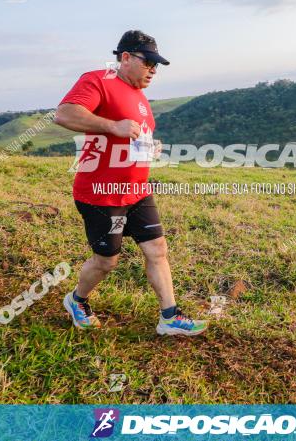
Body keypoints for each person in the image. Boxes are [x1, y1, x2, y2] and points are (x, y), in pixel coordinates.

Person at [54, 29, 207, 336]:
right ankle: (77, 300)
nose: (153, 69)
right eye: (148, 61)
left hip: (137, 191)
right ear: (125, 58)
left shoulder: (139, 96)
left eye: (157, 65)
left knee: (157, 249)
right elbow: (64, 114)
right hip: (102, 195)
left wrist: (151, 146)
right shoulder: (97, 80)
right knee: (106, 262)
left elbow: (133, 135)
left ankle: (170, 317)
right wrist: (112, 126)